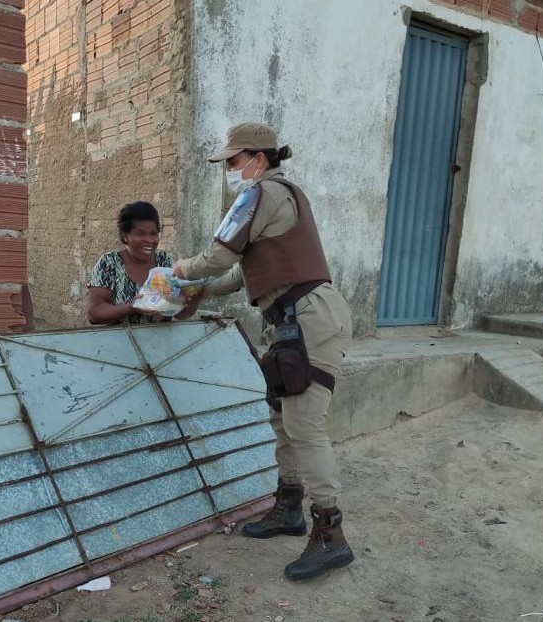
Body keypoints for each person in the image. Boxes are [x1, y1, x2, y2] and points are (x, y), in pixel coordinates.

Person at [173, 122, 354, 581]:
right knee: (283, 417)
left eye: (234, 161)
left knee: (304, 424)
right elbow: (243, 272)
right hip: (291, 322)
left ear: (258, 157)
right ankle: (288, 508)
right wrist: (206, 291)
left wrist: (181, 272)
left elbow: (220, 254)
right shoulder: (275, 194)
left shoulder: (261, 193)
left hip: (309, 319)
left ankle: (331, 533)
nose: (231, 170)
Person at [88, 201, 196, 324]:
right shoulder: (109, 263)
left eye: (153, 234)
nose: (149, 240)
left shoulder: (164, 261)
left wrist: (194, 299)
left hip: (160, 341)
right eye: (141, 233)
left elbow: (180, 315)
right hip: (120, 340)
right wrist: (132, 307)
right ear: (125, 236)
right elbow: (94, 314)